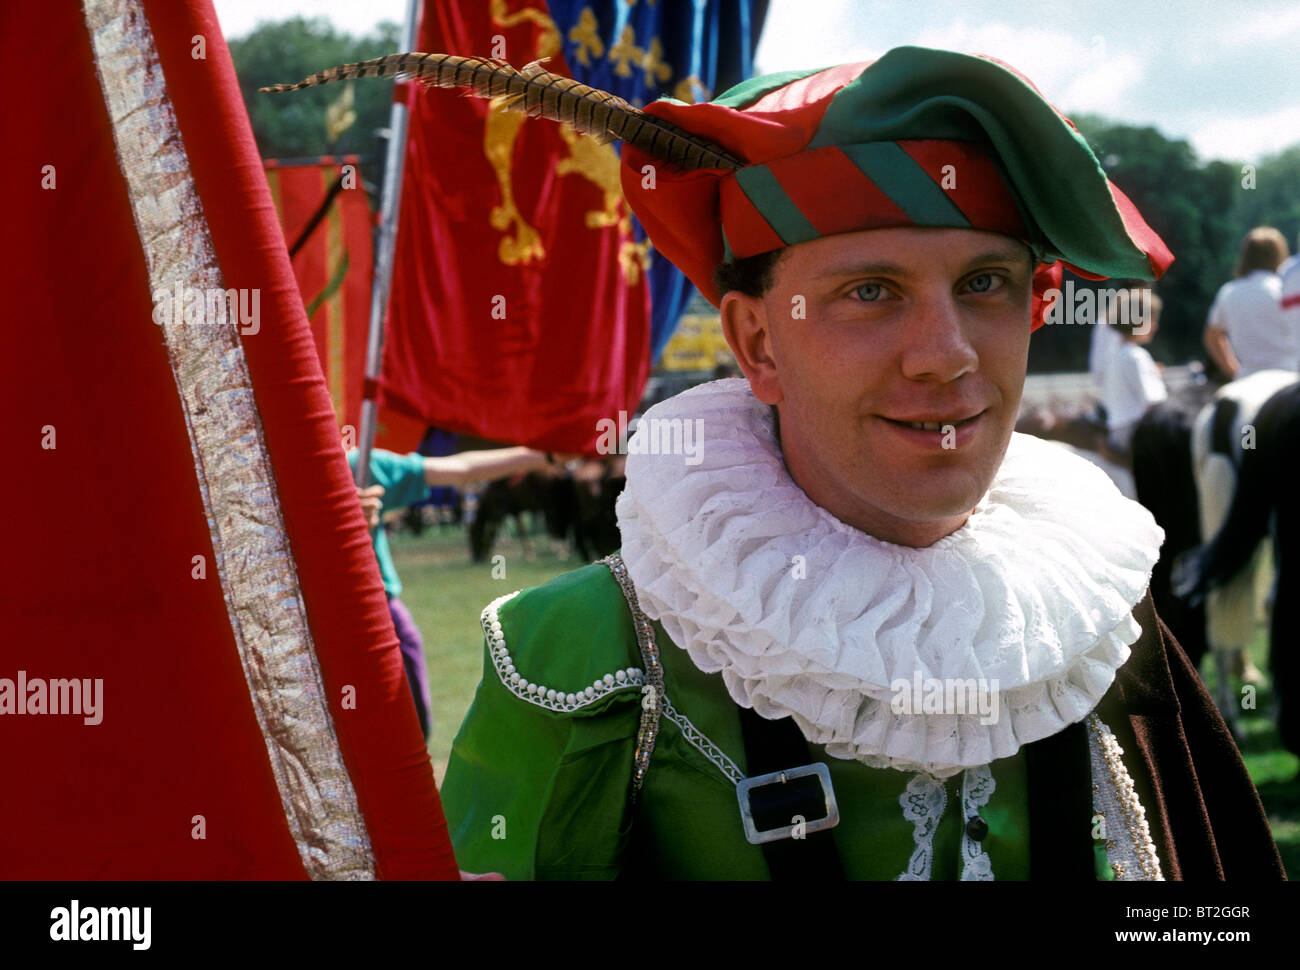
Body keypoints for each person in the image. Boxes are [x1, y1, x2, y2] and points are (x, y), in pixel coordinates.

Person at [415, 48, 1282, 879]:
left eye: (984, 284)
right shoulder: (579, 663)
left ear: (1036, 309)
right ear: (756, 341)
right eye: (870, 292)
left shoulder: (1099, 622)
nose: (945, 356)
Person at [348, 445, 561, 741]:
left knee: (409, 724)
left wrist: (545, 455)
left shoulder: (359, 467)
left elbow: (461, 469)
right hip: (317, 619)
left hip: (380, 609)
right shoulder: (269, 480)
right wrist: (335, 521)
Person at [1204, 227, 1294, 379]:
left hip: (1247, 376)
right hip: (1288, 375)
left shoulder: (1228, 291)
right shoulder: (1284, 289)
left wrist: (1233, 370)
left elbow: (1212, 337)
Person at [1100, 289, 1168, 461]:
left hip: (1116, 429)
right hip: (1134, 431)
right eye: (1152, 320)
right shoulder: (1137, 355)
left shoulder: (1114, 353)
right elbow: (1154, 400)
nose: (1156, 326)